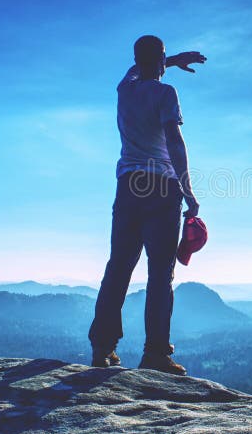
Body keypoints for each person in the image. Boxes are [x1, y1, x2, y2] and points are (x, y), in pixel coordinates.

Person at [87, 35, 205, 374]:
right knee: (160, 274)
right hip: (160, 187)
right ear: (159, 60)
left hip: (128, 186)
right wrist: (188, 192)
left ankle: (102, 348)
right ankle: (155, 354)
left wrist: (167, 60)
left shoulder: (125, 89)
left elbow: (136, 69)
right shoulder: (166, 93)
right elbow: (174, 140)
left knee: (119, 267)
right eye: (164, 59)